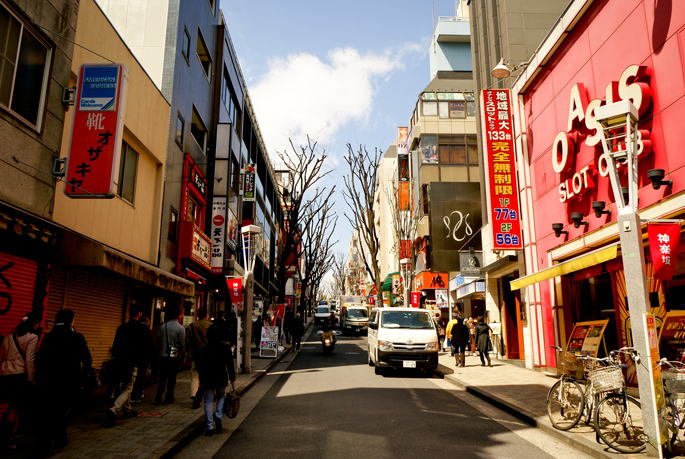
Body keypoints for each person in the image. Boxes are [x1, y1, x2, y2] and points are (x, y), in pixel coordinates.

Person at [33, 309, 91, 458]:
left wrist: (38, 379)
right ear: (71, 321)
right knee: (59, 410)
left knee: (49, 411)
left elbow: (40, 361)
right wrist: (84, 374)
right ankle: (45, 445)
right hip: (68, 381)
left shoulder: (48, 337)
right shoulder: (76, 337)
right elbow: (87, 358)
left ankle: (58, 439)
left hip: (48, 381)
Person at [106, 303, 152, 428]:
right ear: (139, 314)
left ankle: (128, 409)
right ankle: (114, 409)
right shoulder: (142, 329)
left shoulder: (121, 328)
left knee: (126, 385)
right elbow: (146, 348)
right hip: (134, 362)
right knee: (128, 388)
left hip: (121, 362)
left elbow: (115, 347)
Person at [0, 312, 40, 452]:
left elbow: (1, 357)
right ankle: (5, 444)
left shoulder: (8, 337)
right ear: (34, 323)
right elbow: (29, 360)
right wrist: (31, 379)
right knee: (14, 408)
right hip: (19, 375)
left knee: (10, 407)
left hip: (5, 375)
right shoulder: (32, 337)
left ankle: (3, 441)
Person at [197, 325, 236, 436]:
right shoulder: (225, 347)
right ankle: (218, 416)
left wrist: (201, 378)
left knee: (208, 401)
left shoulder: (204, 348)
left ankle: (210, 427)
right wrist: (232, 377)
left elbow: (200, 365)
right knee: (220, 397)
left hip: (207, 378)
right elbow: (230, 364)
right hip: (220, 376)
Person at [156, 305, 186, 404]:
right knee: (172, 378)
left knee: (163, 376)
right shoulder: (181, 328)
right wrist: (182, 357)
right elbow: (182, 344)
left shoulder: (163, 326)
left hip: (163, 355)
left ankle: (159, 393)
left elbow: (159, 340)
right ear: (178, 315)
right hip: (174, 356)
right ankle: (169, 396)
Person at [186, 308, 211, 409]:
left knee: (194, 377)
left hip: (195, 354)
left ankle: (195, 398)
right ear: (206, 315)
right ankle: (209, 396)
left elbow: (187, 341)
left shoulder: (192, 326)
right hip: (208, 355)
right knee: (209, 376)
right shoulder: (210, 326)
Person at [131, 315, 157, 403]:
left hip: (133, 357)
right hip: (144, 358)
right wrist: (152, 361)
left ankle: (132, 394)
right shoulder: (149, 332)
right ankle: (138, 393)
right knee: (141, 376)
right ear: (148, 322)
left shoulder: (134, 330)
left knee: (133, 376)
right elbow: (152, 347)